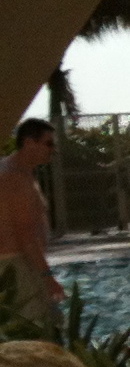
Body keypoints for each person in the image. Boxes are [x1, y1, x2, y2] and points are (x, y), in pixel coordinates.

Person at [0, 118, 61, 326]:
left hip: (20, 263)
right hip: (16, 265)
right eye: (48, 143)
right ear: (28, 142)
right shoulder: (14, 177)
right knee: (38, 327)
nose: (53, 150)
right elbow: (25, 235)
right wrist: (48, 277)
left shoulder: (22, 171)